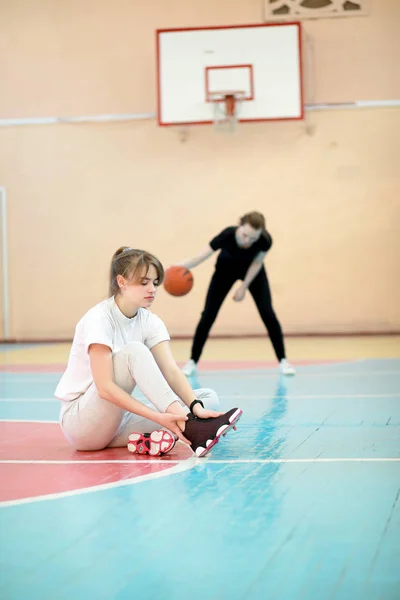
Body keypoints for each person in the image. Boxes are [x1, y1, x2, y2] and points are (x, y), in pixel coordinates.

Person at [55, 247, 242, 458]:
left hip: (116, 425)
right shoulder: (99, 318)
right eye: (143, 283)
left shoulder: (149, 321)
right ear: (121, 282)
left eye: (155, 282)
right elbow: (104, 388)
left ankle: (155, 436)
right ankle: (189, 427)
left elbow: (171, 370)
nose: (152, 289)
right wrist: (159, 416)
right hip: (82, 425)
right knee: (134, 351)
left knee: (208, 398)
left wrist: (196, 408)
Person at [176, 211, 296, 377]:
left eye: (253, 238)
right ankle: (192, 361)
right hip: (224, 272)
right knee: (208, 314)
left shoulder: (265, 240)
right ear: (239, 227)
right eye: (245, 235)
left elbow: (257, 263)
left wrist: (244, 287)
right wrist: (176, 268)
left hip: (253, 274)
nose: (248, 241)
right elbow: (199, 257)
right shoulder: (227, 235)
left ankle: (283, 361)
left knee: (268, 313)